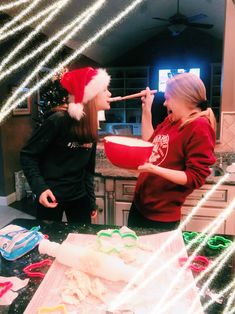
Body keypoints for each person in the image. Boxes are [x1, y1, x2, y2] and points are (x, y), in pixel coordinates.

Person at [21, 67, 111, 223]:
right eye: (105, 90)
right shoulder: (57, 120)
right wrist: (40, 189)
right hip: (50, 195)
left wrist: (90, 201)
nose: (109, 94)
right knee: (48, 241)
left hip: (79, 196)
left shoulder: (90, 126)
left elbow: (88, 170)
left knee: (82, 239)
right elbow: (28, 155)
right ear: (90, 96)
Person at [128, 72, 216, 231]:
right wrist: (146, 109)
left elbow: (194, 177)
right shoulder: (172, 120)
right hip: (140, 207)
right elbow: (150, 143)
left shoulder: (199, 127)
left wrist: (152, 168)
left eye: (168, 98)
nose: (165, 104)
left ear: (182, 98)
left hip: (160, 217)